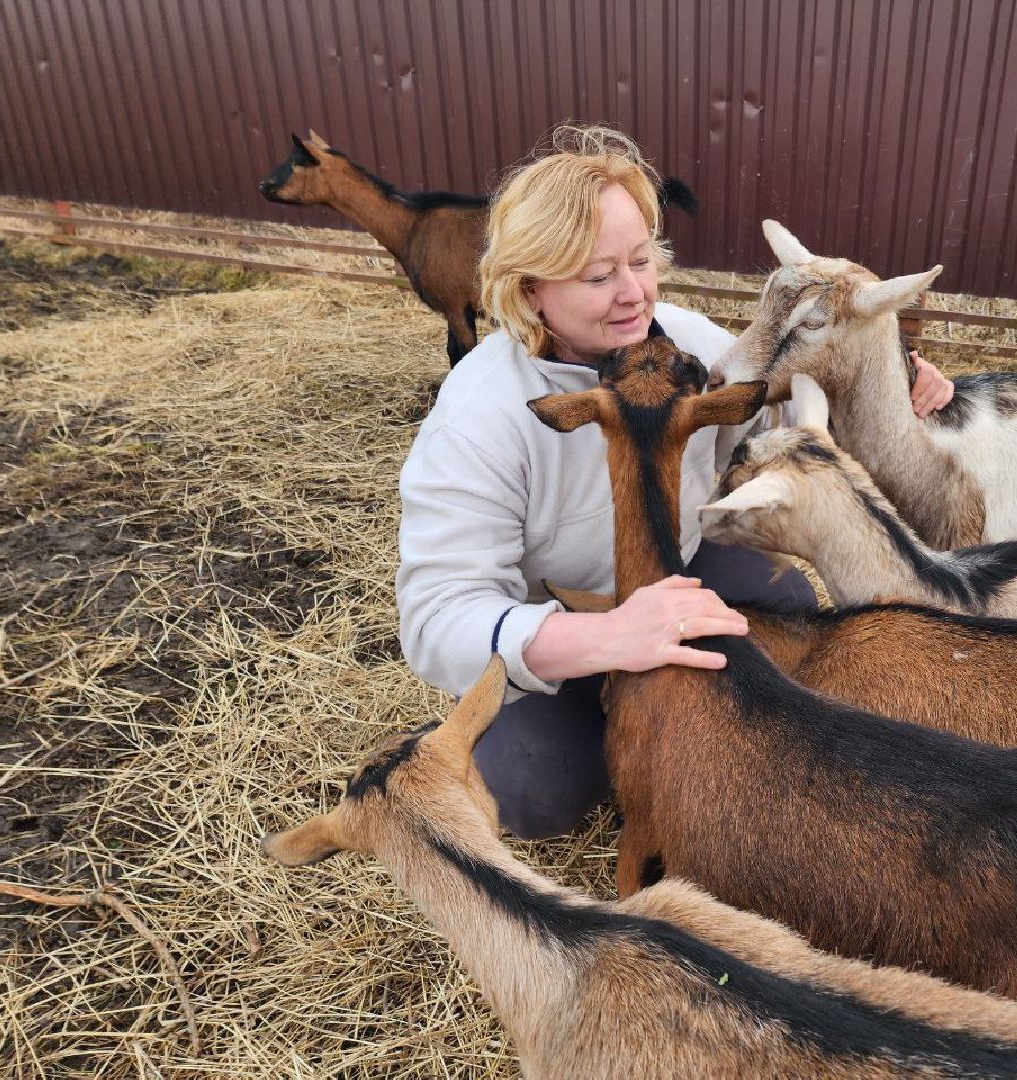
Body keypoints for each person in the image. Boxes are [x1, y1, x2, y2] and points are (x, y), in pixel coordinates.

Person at [396, 126, 954, 839]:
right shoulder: (481, 416)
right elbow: (435, 617)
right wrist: (608, 640)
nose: (634, 294)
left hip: (685, 569)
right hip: (566, 628)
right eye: (599, 277)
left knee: (790, 630)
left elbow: (792, 401)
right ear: (530, 289)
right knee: (528, 791)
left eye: (641, 260)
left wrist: (903, 378)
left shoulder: (689, 342)